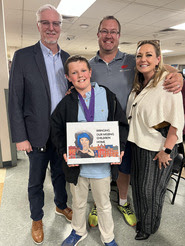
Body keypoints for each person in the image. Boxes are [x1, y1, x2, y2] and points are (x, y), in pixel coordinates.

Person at [88, 15, 184, 228]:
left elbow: (157, 66)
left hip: (126, 131)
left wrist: (179, 75)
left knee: (125, 170)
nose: (109, 35)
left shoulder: (131, 60)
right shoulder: (89, 65)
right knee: (100, 171)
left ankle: (123, 202)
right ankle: (97, 203)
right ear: (98, 34)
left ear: (119, 36)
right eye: (105, 31)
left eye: (113, 31)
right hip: (100, 129)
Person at [8, 4, 72, 245]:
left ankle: (61, 205)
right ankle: (36, 218)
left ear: (60, 28)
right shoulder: (23, 56)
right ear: (38, 26)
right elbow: (15, 99)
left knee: (59, 175)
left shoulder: (67, 59)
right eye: (46, 23)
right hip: (34, 133)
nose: (51, 28)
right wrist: (20, 136)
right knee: (35, 180)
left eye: (55, 23)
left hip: (61, 133)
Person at [50, 55, 129, 246]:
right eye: (74, 73)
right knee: (78, 204)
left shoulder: (107, 96)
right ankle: (78, 232)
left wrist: (120, 148)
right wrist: (64, 151)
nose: (80, 75)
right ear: (69, 77)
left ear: (90, 72)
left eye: (83, 70)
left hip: (102, 167)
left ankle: (108, 238)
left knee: (103, 205)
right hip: (78, 168)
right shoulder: (67, 102)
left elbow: (121, 125)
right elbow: (56, 128)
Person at [126, 40, 184, 240]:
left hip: (160, 147)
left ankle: (149, 227)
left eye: (149, 55)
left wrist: (167, 151)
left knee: (152, 191)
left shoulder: (167, 82)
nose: (143, 59)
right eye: (139, 55)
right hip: (140, 143)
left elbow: (177, 121)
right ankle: (142, 219)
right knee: (140, 187)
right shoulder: (139, 83)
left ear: (158, 59)